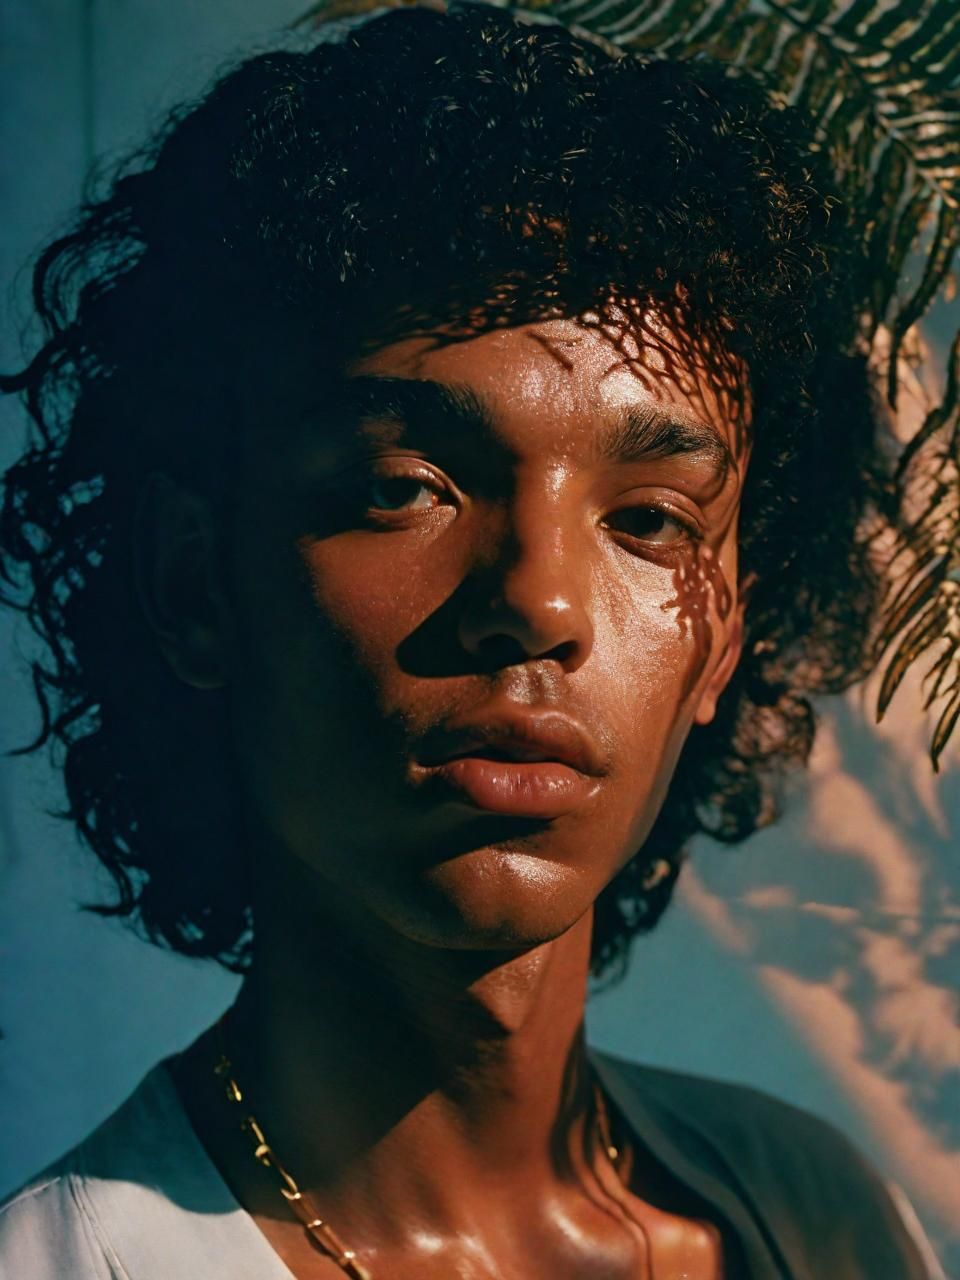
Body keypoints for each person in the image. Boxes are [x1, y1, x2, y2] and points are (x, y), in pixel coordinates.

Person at [0, 2, 946, 1276]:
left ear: (724, 641)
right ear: (194, 582)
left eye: (653, 518)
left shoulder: (827, 1223)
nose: (542, 603)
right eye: (405, 486)